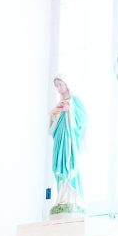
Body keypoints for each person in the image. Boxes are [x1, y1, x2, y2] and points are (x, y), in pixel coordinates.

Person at [49, 76, 88, 214]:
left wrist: (69, 110)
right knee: (58, 165)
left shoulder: (75, 100)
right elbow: (51, 126)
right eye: (56, 86)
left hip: (70, 140)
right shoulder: (59, 103)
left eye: (60, 84)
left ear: (67, 84)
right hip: (60, 139)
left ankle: (72, 198)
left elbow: (83, 119)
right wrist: (55, 113)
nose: (59, 88)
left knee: (69, 164)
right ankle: (61, 197)